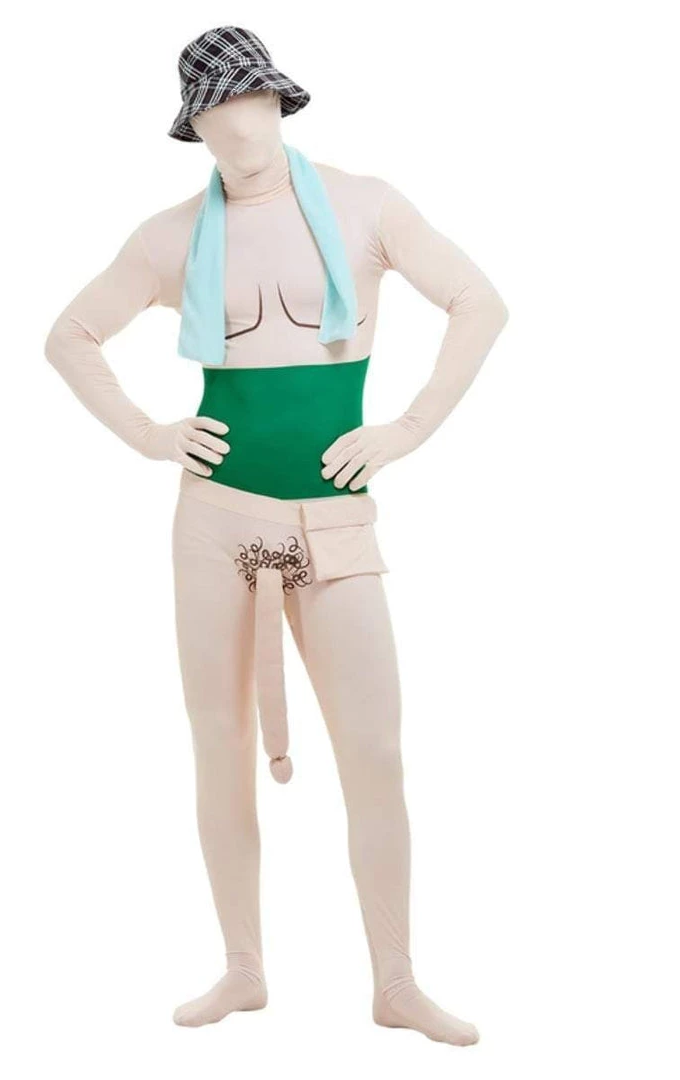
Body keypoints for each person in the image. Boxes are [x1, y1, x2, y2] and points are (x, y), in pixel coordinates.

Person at [44, 25, 508, 1042]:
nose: (236, 126)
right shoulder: (170, 235)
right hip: (215, 522)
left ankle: (396, 980)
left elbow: (479, 301)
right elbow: (69, 336)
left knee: (374, 749)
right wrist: (148, 435)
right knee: (219, 744)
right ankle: (242, 968)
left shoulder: (365, 204)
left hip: (334, 518)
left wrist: (407, 428)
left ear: (278, 100)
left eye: (248, 101)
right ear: (195, 125)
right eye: (213, 110)